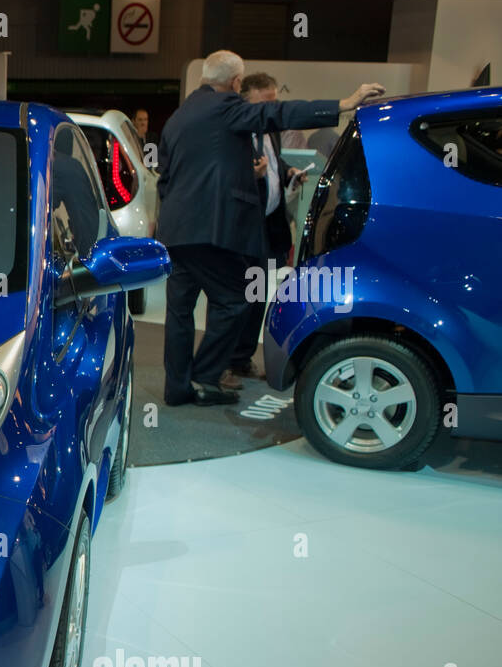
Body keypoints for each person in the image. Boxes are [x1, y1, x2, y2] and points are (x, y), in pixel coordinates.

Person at [156, 50, 383, 406]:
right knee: (234, 299)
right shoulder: (225, 107)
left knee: (180, 312)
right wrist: (343, 103)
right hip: (210, 232)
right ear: (235, 84)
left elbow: (165, 180)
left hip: (176, 232)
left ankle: (178, 387)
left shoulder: (179, 115)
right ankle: (204, 378)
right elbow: (277, 113)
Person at [223, 72, 308, 389]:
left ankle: (242, 358)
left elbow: (275, 164)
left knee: (257, 296)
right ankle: (223, 363)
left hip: (269, 228)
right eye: (266, 103)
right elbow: (226, 178)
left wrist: (290, 173)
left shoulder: (269, 132)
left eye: (275, 102)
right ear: (247, 100)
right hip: (242, 229)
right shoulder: (235, 133)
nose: (272, 110)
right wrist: (250, 175)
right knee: (236, 298)